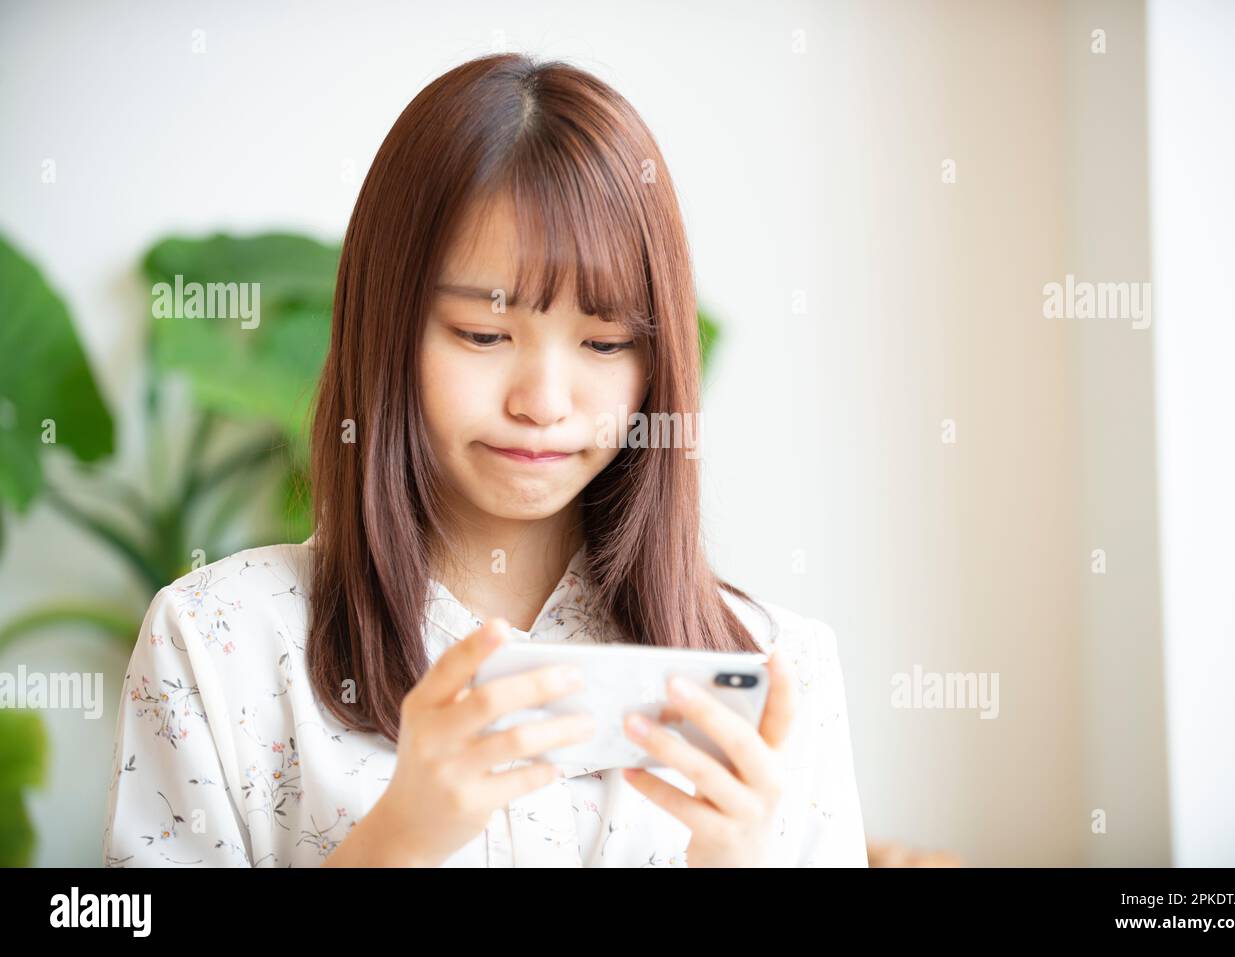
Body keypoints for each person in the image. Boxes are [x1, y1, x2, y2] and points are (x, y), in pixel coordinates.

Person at [101, 52, 868, 868]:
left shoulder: (780, 669)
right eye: (484, 334)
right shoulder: (220, 645)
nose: (544, 400)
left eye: (605, 342)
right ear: (388, 326)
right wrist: (395, 843)